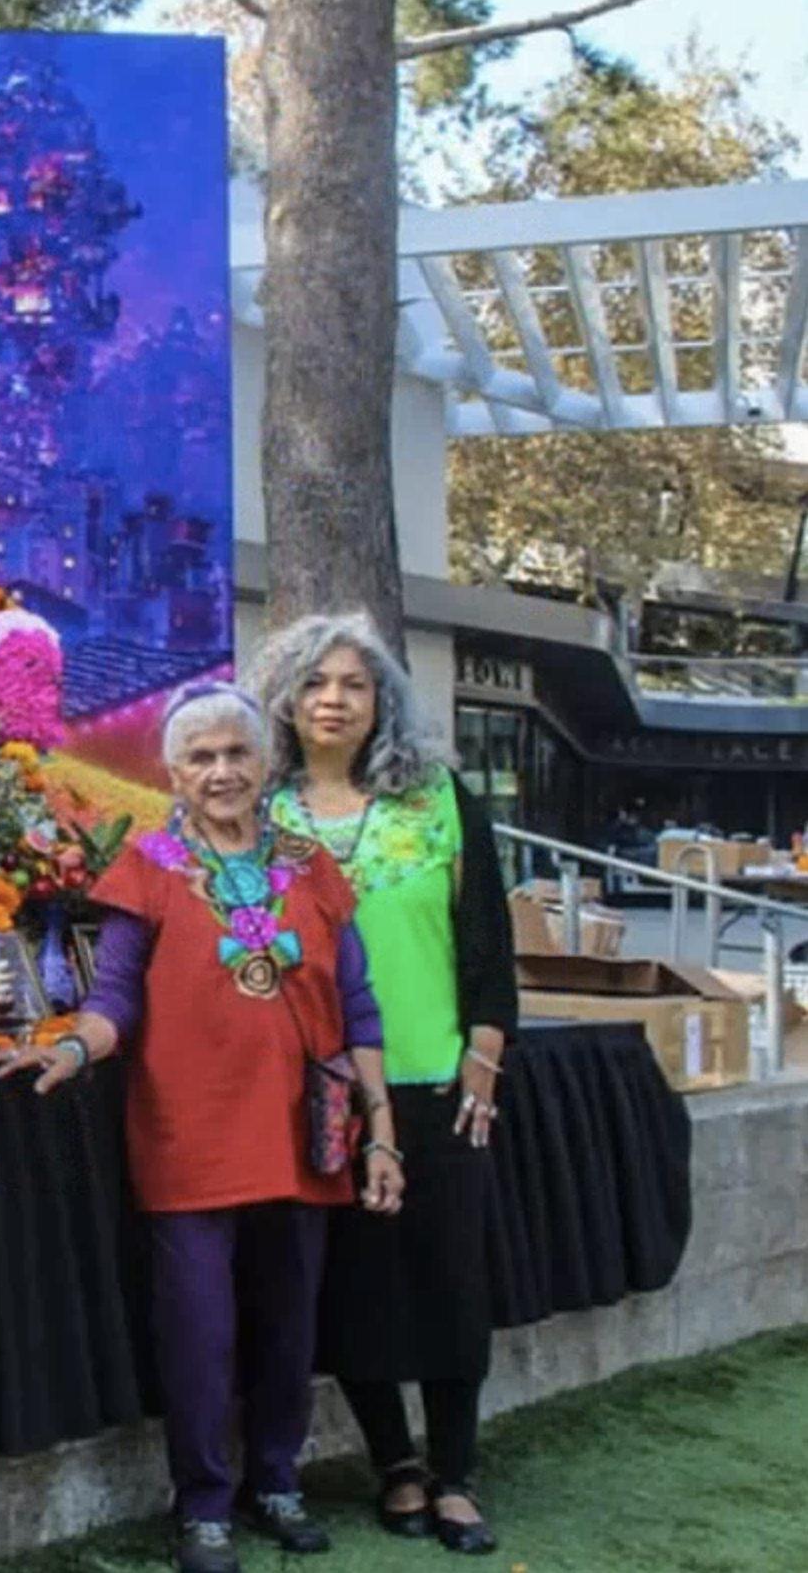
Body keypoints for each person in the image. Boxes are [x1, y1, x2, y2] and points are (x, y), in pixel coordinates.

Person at [4, 683, 401, 1573]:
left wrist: (381, 1130)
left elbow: (359, 1006)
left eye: (237, 754)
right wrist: (72, 1050)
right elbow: (113, 999)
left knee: (290, 1328)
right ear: (174, 774)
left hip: (306, 1135)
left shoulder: (312, 865)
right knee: (200, 1333)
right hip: (188, 1136)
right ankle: (205, 1505)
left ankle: (278, 1482)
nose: (222, 772)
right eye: (201, 758)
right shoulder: (146, 866)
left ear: (265, 765)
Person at [250, 615, 517, 1557]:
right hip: (308, 1088)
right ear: (283, 698)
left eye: (354, 684)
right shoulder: (258, 812)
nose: (333, 698)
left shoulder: (438, 797)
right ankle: (394, 1466)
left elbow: (488, 940)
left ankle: (456, 1475)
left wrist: (482, 1058)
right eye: (316, 682)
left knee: (448, 1276)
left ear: (382, 700)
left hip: (434, 1082)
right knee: (354, 1289)